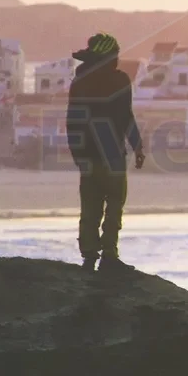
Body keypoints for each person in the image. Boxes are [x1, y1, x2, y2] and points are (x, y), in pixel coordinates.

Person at [65, 32, 145, 273]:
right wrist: (137, 145)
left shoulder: (79, 82)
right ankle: (109, 253)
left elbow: (73, 120)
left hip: (87, 154)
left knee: (90, 207)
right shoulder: (120, 81)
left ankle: (89, 257)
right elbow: (126, 117)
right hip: (111, 153)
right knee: (114, 205)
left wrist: (77, 154)